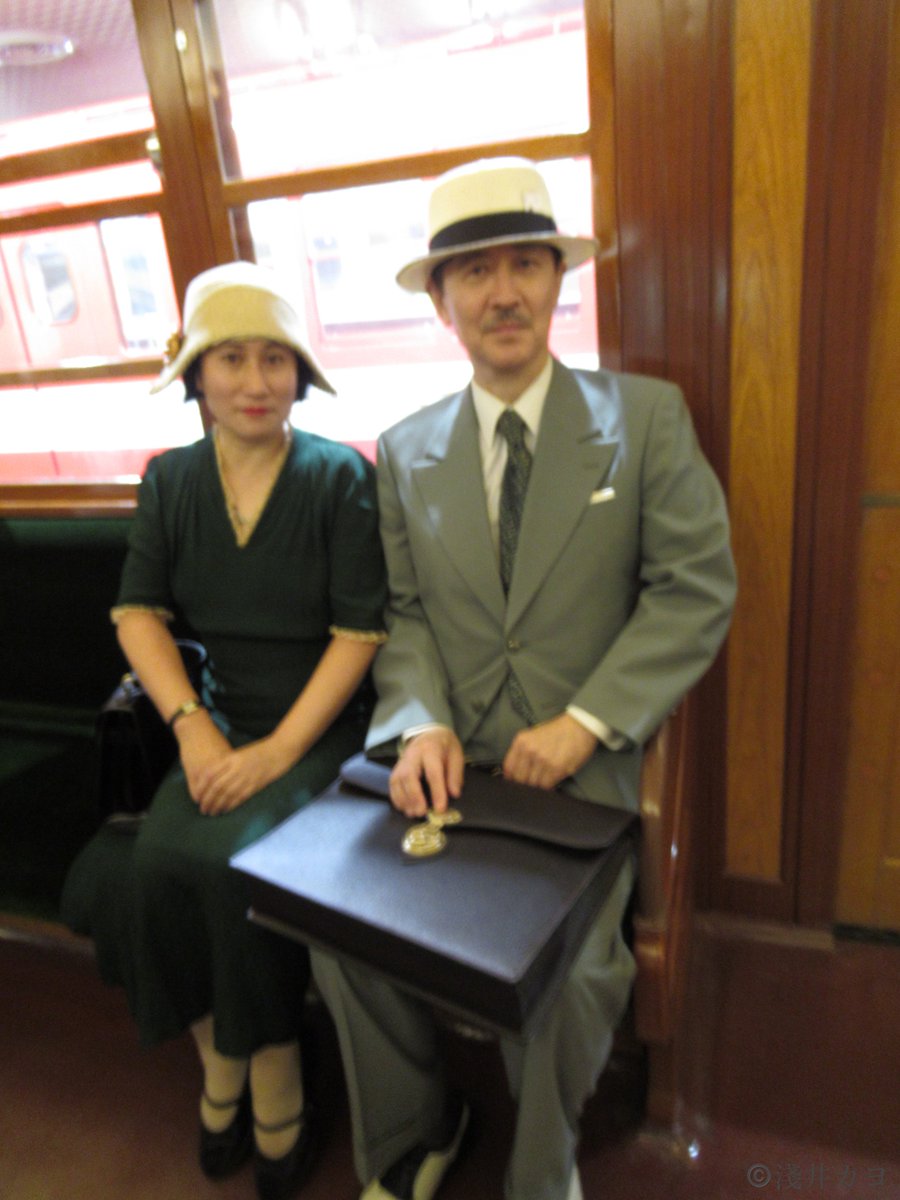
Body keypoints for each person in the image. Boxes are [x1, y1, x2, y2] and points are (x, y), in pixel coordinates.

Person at [310, 158, 737, 1200]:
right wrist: (417, 721)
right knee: (337, 936)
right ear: (442, 301)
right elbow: (406, 614)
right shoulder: (404, 449)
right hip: (448, 768)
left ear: (557, 280)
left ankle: (542, 1178)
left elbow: (695, 588)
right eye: (474, 272)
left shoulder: (647, 419)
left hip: (581, 774)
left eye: (525, 266)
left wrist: (589, 720)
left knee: (574, 974)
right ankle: (416, 1133)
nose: (502, 293)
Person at [62, 261, 387, 1200]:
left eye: (275, 359)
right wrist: (195, 731)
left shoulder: (339, 476)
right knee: (155, 865)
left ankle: (276, 1071)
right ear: (195, 374)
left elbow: (360, 634)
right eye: (231, 358)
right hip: (216, 719)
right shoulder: (169, 480)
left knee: (231, 864)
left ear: (300, 373)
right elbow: (138, 614)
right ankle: (221, 1061)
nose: (255, 381)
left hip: (318, 727)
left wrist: (277, 754)